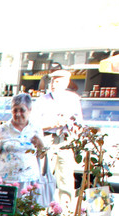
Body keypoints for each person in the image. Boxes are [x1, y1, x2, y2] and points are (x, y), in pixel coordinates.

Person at [34, 69, 83, 205]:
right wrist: (53, 123)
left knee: (65, 174)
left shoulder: (73, 99)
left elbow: (79, 121)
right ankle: (41, 205)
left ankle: (65, 207)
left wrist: (72, 125)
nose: (53, 84)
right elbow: (34, 124)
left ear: (66, 83)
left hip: (65, 139)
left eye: (57, 81)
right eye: (52, 81)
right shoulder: (42, 100)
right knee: (44, 173)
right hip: (47, 138)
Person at [0, 93, 46, 184]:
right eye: (15, 110)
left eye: (22, 110)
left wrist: (41, 145)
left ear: (29, 110)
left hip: (29, 179)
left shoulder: (35, 129)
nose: (18, 114)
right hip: (6, 180)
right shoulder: (3, 129)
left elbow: (41, 156)